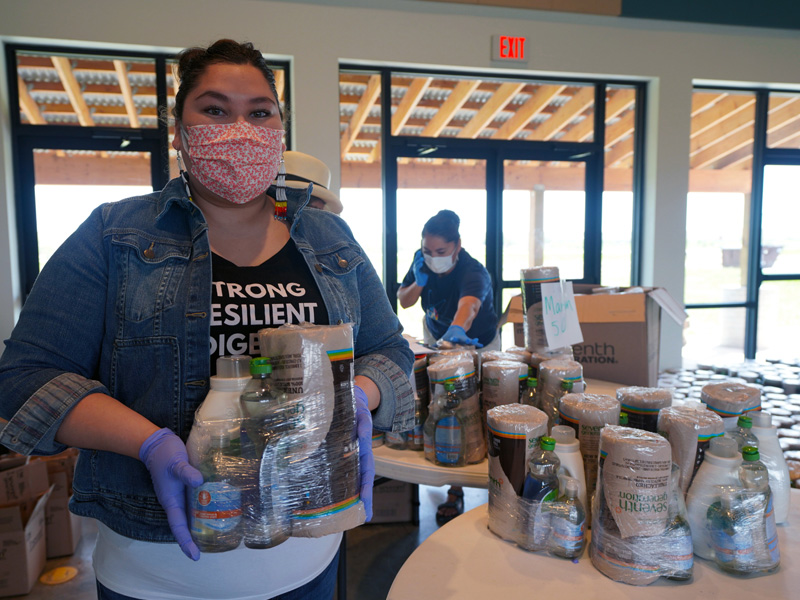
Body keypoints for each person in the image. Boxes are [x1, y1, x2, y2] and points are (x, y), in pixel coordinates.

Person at [0, 39, 414, 600]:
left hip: (310, 560)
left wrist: (355, 396)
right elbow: (26, 379)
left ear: (280, 131)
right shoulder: (114, 236)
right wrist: (149, 444)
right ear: (178, 131)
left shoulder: (328, 238)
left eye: (259, 113)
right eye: (215, 109)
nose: (240, 130)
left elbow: (389, 349)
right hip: (160, 574)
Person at [397, 210, 499, 524]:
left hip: (473, 340)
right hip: (436, 336)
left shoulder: (473, 271)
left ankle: (459, 488)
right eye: (427, 250)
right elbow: (404, 300)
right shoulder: (421, 260)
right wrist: (419, 282)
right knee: (440, 404)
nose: (433, 257)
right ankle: (440, 457)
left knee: (470, 408)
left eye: (440, 251)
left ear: (457, 245)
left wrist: (457, 330)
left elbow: (469, 307)